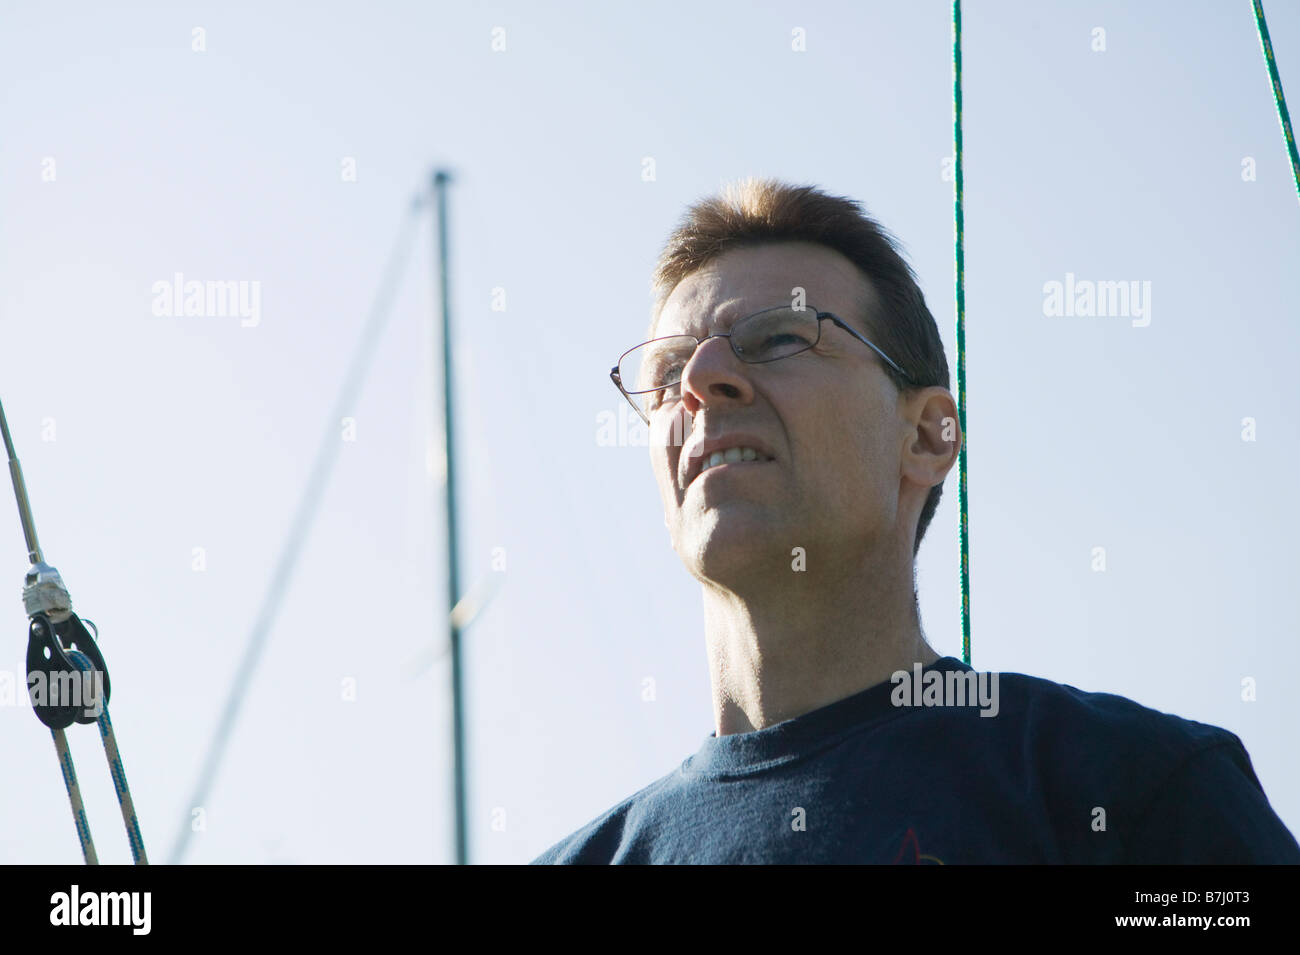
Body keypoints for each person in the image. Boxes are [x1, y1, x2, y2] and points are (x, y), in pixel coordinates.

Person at [531, 178, 1300, 864]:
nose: (701, 382)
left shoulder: (1134, 792)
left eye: (779, 338)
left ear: (928, 434)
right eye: (667, 373)